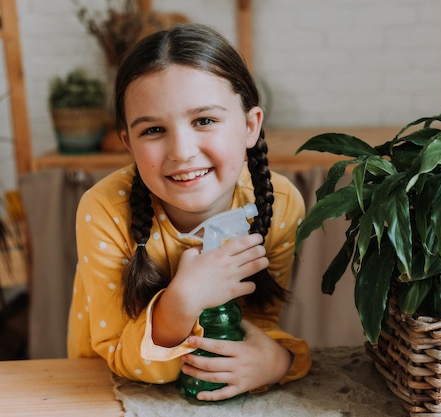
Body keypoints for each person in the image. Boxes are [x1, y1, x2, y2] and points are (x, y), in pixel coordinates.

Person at [67, 22, 311, 401]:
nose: (181, 151)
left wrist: (276, 361)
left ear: (250, 126)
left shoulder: (279, 202)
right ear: (128, 144)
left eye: (204, 121)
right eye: (153, 130)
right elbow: (119, 354)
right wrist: (181, 303)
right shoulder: (103, 211)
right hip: (101, 396)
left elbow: (257, 324)